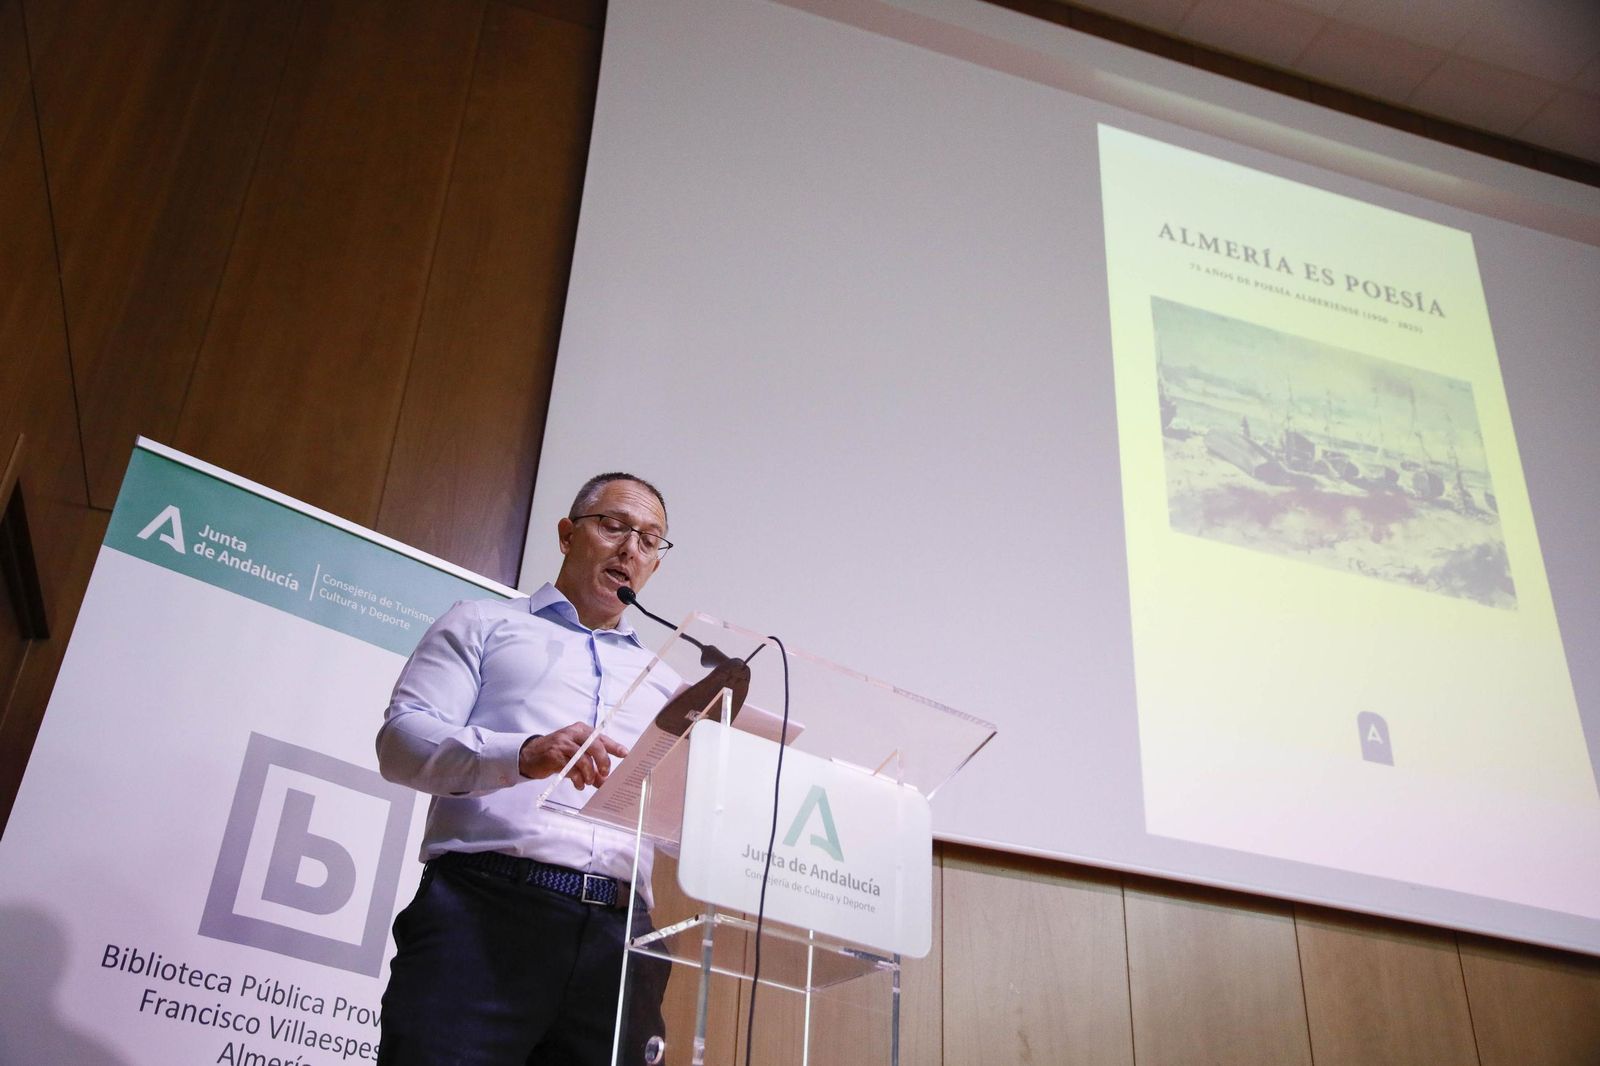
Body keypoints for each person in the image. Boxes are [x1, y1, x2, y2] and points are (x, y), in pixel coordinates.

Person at [375, 472, 677, 1065]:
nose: (629, 549)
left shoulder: (671, 686)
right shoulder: (483, 623)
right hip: (485, 910)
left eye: (649, 539)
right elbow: (401, 741)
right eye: (614, 525)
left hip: (622, 940)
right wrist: (520, 753)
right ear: (567, 535)